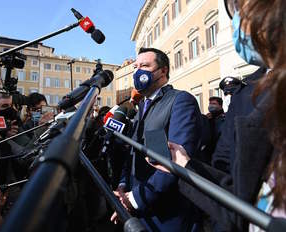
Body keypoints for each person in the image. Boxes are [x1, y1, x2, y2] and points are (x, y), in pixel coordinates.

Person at [149, 0, 286, 231]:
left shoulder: (180, 100)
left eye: (238, 8)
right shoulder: (256, 93)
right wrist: (186, 166)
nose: (236, 21)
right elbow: (238, 198)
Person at [111, 47, 202, 231]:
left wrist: (134, 199)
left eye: (144, 65)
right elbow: (132, 153)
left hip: (168, 215)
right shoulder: (140, 109)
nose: (138, 71)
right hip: (139, 209)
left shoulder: (180, 101)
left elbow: (175, 163)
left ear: (163, 70)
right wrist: (123, 187)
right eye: (136, 67)